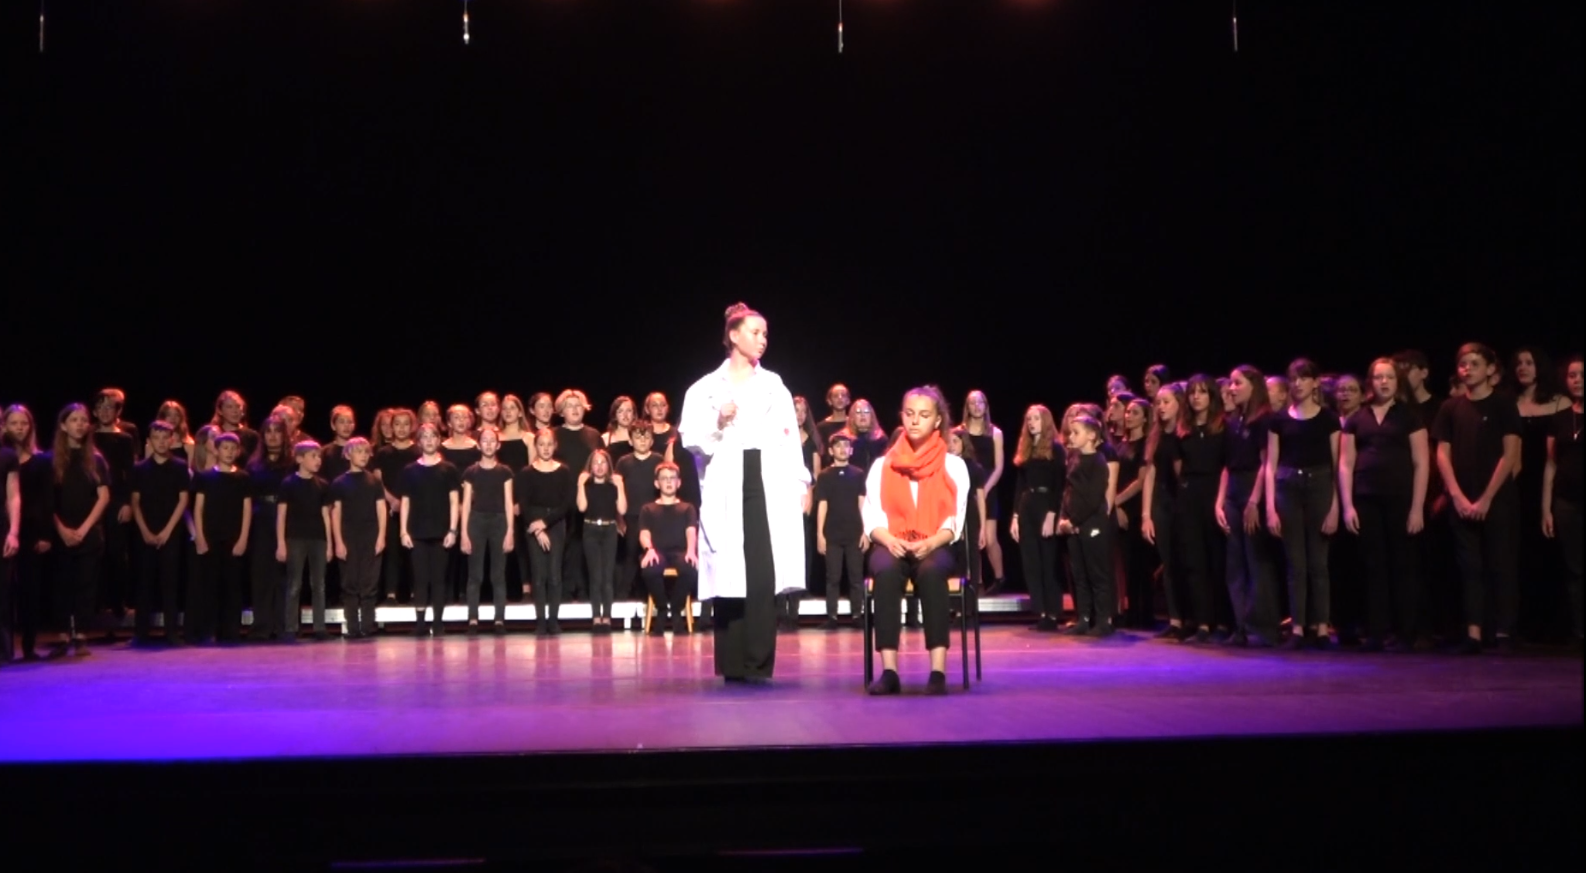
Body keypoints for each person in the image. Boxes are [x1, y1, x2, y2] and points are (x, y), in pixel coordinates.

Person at [680, 302, 810, 685]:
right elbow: (690, 438)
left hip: (766, 481)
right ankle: (732, 663)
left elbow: (790, 439)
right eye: (755, 332)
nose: (762, 340)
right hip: (726, 481)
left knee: (761, 572)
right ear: (734, 336)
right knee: (729, 571)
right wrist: (718, 420)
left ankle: (758, 662)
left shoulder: (774, 386)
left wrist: (801, 482)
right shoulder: (705, 388)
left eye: (765, 334)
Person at [862, 387, 970, 695]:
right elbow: (872, 516)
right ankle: (889, 672)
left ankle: (937, 672)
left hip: (935, 543)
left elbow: (955, 520)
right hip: (891, 542)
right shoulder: (883, 465)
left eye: (923, 415)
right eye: (909, 414)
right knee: (885, 571)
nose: (914, 421)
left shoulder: (953, 466)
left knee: (932, 572)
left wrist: (932, 542)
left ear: (937, 420)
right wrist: (888, 539)